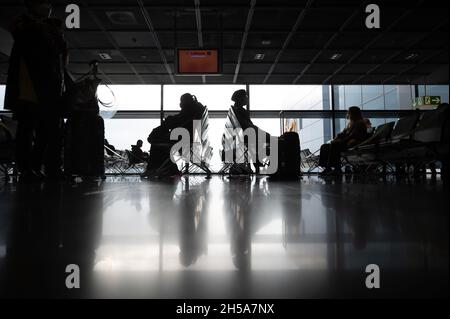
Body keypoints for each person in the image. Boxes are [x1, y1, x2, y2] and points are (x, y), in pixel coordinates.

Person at [4, 0, 68, 181]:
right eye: (43, 4)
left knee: (44, 130)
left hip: (48, 85)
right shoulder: (26, 25)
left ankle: (36, 167)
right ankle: (28, 168)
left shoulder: (48, 28)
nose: (48, 8)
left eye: (48, 5)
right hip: (30, 85)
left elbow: (60, 55)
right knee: (30, 128)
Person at [142, 93, 205, 177]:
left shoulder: (190, 109)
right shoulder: (197, 109)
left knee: (157, 141)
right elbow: (183, 120)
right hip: (187, 136)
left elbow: (181, 120)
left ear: (185, 101)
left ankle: (155, 169)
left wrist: (170, 120)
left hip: (183, 136)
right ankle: (169, 169)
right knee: (160, 139)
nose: (180, 104)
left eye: (181, 101)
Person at [319, 106, 369, 175]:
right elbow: (343, 133)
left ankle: (336, 168)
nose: (348, 114)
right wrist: (337, 137)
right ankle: (327, 167)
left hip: (353, 143)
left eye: (349, 113)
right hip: (347, 142)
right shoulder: (351, 123)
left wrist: (340, 141)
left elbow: (352, 136)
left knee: (334, 145)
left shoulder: (360, 123)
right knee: (324, 146)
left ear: (354, 114)